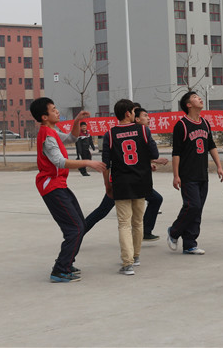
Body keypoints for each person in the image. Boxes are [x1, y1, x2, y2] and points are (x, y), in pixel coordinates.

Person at [29, 97, 107, 283]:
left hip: (59, 185)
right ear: (44, 116)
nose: (57, 111)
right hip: (52, 187)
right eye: (53, 109)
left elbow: (71, 138)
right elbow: (59, 161)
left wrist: (77, 120)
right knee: (75, 228)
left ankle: (66, 262)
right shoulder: (47, 135)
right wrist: (87, 162)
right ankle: (59, 270)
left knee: (79, 223)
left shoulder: (52, 130)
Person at [103, 99, 159, 275]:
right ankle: (135, 257)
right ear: (128, 113)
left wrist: (107, 185)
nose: (135, 114)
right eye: (134, 111)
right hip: (141, 181)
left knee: (124, 223)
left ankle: (127, 263)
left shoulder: (110, 135)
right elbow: (154, 153)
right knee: (137, 222)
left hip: (121, 183)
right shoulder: (143, 130)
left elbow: (106, 164)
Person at [167, 91, 223, 255]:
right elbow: (176, 152)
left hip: (202, 174)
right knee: (192, 206)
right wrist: (176, 175)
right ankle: (173, 231)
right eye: (195, 97)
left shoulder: (205, 123)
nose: (199, 98)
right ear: (188, 104)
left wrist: (219, 166)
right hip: (187, 175)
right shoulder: (182, 125)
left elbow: (211, 146)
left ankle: (190, 244)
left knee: (198, 210)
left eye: (199, 96)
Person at [134, 107, 167, 241]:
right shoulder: (142, 131)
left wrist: (148, 163)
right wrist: (154, 159)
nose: (149, 118)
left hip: (126, 179)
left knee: (155, 199)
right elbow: (151, 153)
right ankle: (81, 229)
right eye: (145, 116)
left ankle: (146, 231)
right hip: (132, 180)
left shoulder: (129, 132)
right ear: (136, 118)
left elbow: (136, 155)